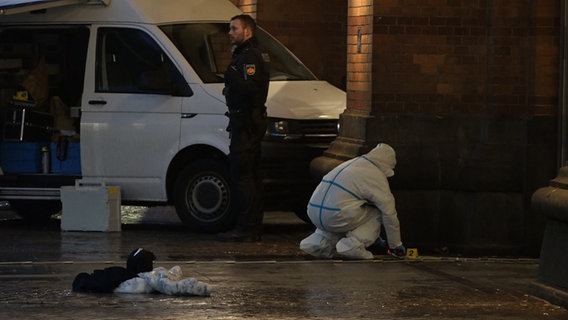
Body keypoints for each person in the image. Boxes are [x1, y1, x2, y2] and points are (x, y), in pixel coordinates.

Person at [299, 143, 406, 260]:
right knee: (376, 213)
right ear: (387, 165)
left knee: (344, 214)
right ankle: (352, 246)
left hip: (314, 212)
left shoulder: (351, 163)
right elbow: (389, 213)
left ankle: (318, 243)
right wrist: (395, 245)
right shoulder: (375, 175)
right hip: (336, 214)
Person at [217, 14, 270, 242]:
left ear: (247, 31)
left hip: (246, 122)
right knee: (249, 175)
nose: (230, 33)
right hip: (246, 121)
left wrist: (231, 75)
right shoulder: (247, 54)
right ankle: (250, 225)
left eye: (234, 29)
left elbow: (251, 91)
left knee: (243, 175)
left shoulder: (250, 57)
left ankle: (247, 227)